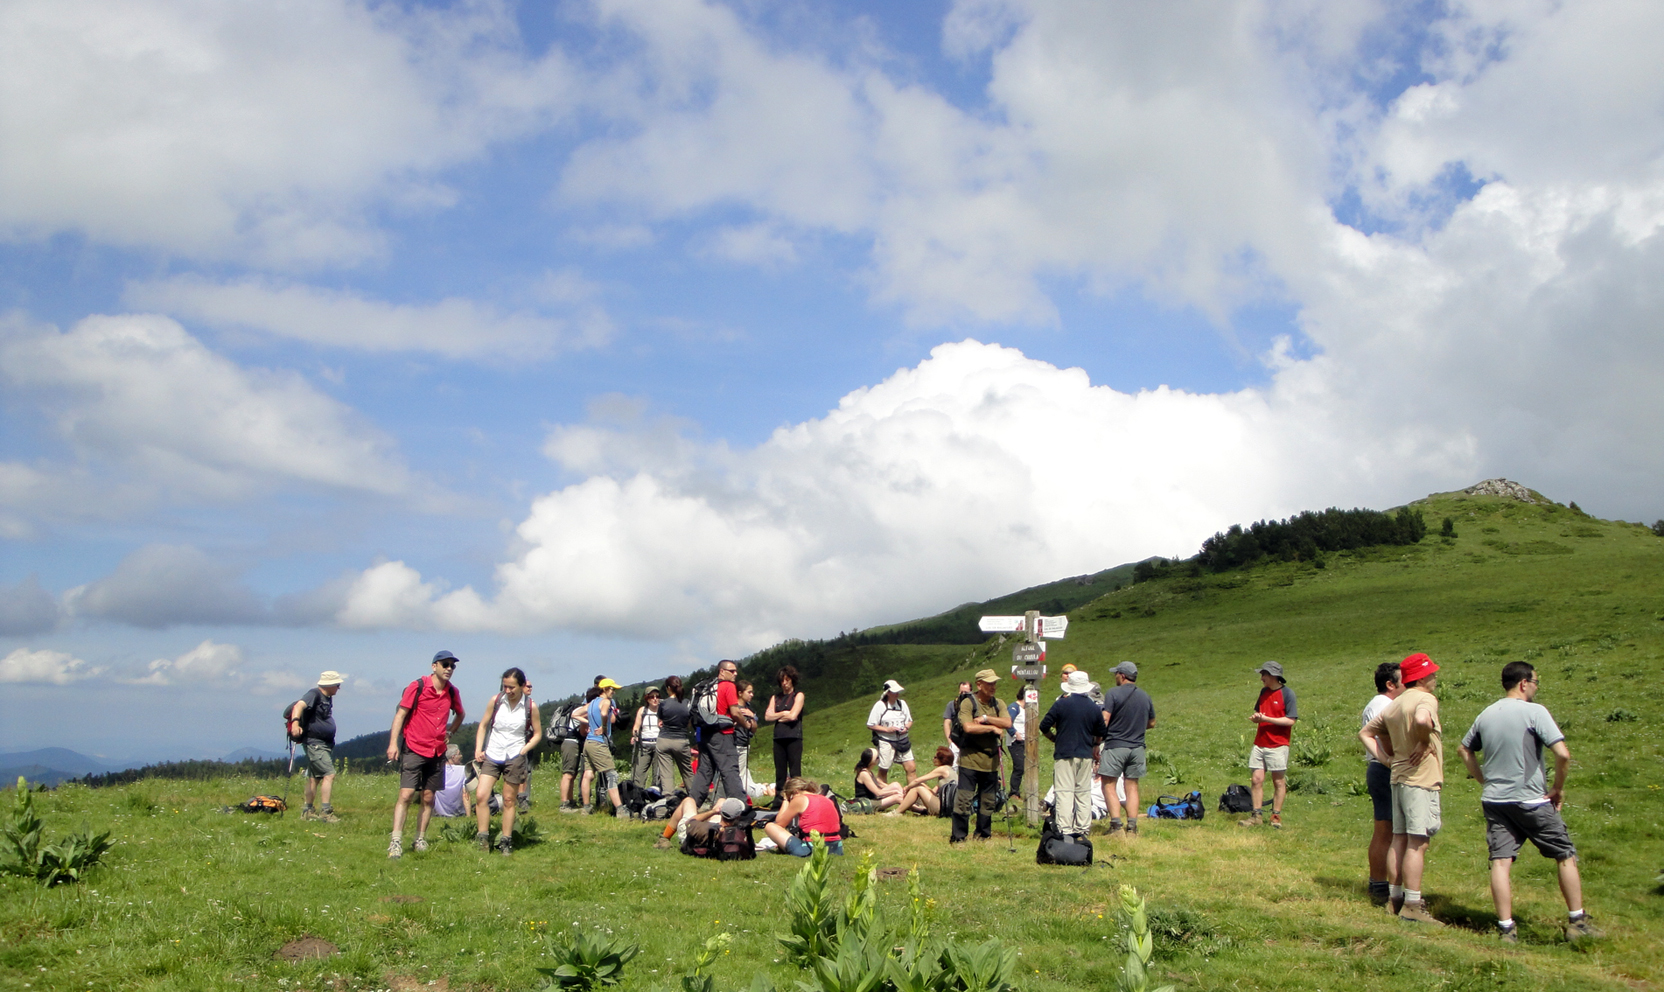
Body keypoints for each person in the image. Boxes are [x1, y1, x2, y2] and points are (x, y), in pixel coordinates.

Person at [1458, 662, 1603, 943]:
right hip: (1532, 800)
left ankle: (1505, 928)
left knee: (1500, 862)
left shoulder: (1486, 713)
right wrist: (1557, 788)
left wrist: (1483, 780)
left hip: (1495, 801)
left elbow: (1464, 749)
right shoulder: (1535, 712)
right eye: (1536, 682)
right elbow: (1563, 754)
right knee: (1564, 854)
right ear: (1524, 683)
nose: (1536, 687)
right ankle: (1577, 922)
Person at [1361, 652, 1443, 925]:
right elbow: (1422, 721)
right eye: (1431, 673)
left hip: (1397, 777)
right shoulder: (1424, 699)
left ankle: (1393, 899)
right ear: (1420, 677)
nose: (1435, 677)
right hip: (1419, 779)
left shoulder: (1394, 705)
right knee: (1417, 843)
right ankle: (1412, 905)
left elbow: (1365, 733)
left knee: (1397, 838)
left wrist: (1386, 759)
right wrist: (1423, 741)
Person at [385, 650, 465, 859]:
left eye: (452, 666)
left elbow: (461, 714)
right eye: (445, 664)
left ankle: (419, 838)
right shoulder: (417, 686)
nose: (449, 669)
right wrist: (393, 743)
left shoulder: (452, 692)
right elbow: (401, 714)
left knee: (428, 797)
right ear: (434, 666)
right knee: (406, 794)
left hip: (437, 750)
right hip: (414, 747)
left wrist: (450, 732)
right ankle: (395, 841)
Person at [473, 667, 543, 854]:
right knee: (481, 795)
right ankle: (483, 838)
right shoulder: (496, 701)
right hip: (493, 753)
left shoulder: (530, 706)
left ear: (521, 686)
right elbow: (483, 725)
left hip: (514, 754)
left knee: (509, 799)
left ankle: (506, 840)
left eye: (512, 687)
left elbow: (537, 734)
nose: (508, 691)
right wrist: (479, 749)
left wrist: (524, 750)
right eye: (505, 686)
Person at [1359, 661, 1405, 904]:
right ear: (1390, 684)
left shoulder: (1381, 703)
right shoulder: (1383, 705)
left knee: (1386, 829)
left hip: (1381, 767)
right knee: (1386, 830)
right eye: (1403, 680)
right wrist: (1391, 760)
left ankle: (1380, 884)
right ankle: (1379, 885)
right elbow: (1384, 738)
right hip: (1383, 768)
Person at [1041, 669, 1104, 840]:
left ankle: (1064, 828)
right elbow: (1101, 731)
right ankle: (1083, 829)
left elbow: (1044, 725)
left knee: (1064, 792)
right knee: (1083, 791)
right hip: (1085, 753)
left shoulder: (1061, 704)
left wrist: (1053, 738)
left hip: (1064, 753)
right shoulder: (1093, 706)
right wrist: (1096, 745)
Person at [950, 670, 1011, 844]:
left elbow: (1007, 723)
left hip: (991, 762)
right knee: (964, 800)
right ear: (979, 684)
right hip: (970, 759)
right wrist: (991, 728)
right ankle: (959, 837)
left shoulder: (999, 704)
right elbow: (968, 727)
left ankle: (983, 835)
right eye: (989, 683)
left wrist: (985, 719)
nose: (993, 687)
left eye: (994, 683)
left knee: (988, 801)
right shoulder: (969, 703)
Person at [1099, 661, 1156, 835]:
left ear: (1122, 675)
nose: (1115, 676)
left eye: (1116, 673)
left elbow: (1105, 720)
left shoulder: (1113, 693)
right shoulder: (1145, 696)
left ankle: (1116, 826)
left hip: (1116, 745)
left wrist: (1096, 740)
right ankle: (1132, 826)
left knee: (1109, 785)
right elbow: (1152, 723)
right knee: (1132, 787)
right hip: (1137, 747)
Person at [1243, 661, 1298, 829]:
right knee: (1256, 779)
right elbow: (1260, 712)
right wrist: (1257, 718)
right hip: (1260, 742)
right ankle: (1256, 815)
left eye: (1263, 675)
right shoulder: (1263, 692)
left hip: (1278, 744)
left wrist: (1266, 719)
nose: (1261, 678)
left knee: (1278, 782)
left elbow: (1291, 720)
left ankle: (1276, 816)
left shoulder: (1288, 694)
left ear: (1273, 675)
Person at [686, 660, 745, 809]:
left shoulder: (710, 686)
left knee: (704, 772)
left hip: (705, 733)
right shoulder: (728, 686)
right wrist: (747, 724)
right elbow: (735, 711)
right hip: (723, 734)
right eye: (732, 671)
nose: (735, 674)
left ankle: (691, 806)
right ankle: (740, 807)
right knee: (730, 770)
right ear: (722, 671)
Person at [289, 670, 345, 822]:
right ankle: (326, 811)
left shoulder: (327, 698)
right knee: (329, 774)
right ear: (329, 684)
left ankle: (307, 810)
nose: (338, 688)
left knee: (314, 778)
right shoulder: (314, 694)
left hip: (323, 743)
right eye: (337, 685)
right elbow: (299, 705)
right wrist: (295, 722)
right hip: (315, 743)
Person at [763, 777, 844, 856]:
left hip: (812, 849)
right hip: (836, 848)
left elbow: (780, 823)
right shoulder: (826, 799)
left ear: (795, 792)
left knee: (770, 826)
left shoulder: (799, 799)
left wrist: (785, 800)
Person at [581, 678, 627, 816]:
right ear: (605, 689)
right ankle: (620, 809)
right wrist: (604, 727)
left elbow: (575, 714)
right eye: (612, 689)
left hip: (588, 743)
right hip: (598, 742)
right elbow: (604, 714)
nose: (613, 692)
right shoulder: (606, 702)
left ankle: (586, 807)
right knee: (611, 774)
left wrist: (589, 723)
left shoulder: (591, 703)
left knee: (588, 774)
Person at [765, 666, 805, 803]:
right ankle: (779, 799)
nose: (784, 683)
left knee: (795, 770)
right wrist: (782, 714)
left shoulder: (798, 695)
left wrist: (777, 716)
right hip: (778, 737)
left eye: (787, 680)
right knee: (780, 770)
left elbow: (793, 715)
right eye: (782, 680)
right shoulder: (775, 697)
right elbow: (767, 716)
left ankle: (797, 797)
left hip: (794, 736)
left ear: (792, 680)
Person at [866, 680, 915, 785]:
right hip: (886, 740)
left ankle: (914, 794)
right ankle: (883, 794)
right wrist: (887, 730)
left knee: (911, 767)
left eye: (897, 692)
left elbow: (909, 721)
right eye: (894, 692)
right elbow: (871, 724)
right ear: (887, 693)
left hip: (903, 740)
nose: (897, 694)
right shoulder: (880, 705)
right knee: (884, 769)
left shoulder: (902, 704)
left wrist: (906, 728)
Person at [653, 675, 696, 793]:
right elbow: (689, 723)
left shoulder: (664, 704)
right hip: (681, 740)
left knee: (666, 772)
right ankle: (694, 796)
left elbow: (660, 721)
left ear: (668, 688)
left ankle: (668, 798)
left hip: (664, 740)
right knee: (687, 771)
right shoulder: (687, 703)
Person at [888, 747, 957, 816]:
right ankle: (911, 807)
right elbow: (933, 793)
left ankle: (897, 812)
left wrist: (907, 788)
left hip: (943, 809)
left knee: (917, 788)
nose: (933, 759)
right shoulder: (952, 772)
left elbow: (917, 780)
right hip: (949, 808)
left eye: (935, 757)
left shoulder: (942, 769)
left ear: (942, 760)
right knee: (920, 786)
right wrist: (922, 785)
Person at [559, 688, 596, 812]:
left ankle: (570, 801)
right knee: (569, 773)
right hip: (572, 742)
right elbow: (582, 731)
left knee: (572, 774)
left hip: (573, 742)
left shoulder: (584, 709)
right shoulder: (583, 711)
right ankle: (564, 803)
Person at [729, 680, 761, 799]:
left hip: (745, 742)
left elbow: (753, 729)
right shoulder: (734, 708)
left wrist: (752, 717)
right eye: (749, 692)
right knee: (738, 773)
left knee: (742, 772)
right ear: (740, 693)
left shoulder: (748, 708)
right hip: (735, 743)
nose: (752, 695)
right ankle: (740, 796)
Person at [631, 687, 664, 791]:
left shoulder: (663, 710)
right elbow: (636, 727)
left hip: (659, 744)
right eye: (651, 697)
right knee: (639, 773)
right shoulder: (642, 710)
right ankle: (638, 795)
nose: (655, 699)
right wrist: (635, 736)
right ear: (647, 698)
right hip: (644, 745)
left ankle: (655, 794)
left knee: (658, 774)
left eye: (657, 696)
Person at [432, 743, 475, 818]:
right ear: (453, 757)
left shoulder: (436, 771)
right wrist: (468, 816)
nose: (461, 756)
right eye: (459, 754)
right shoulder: (463, 770)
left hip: (438, 813)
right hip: (458, 813)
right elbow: (465, 795)